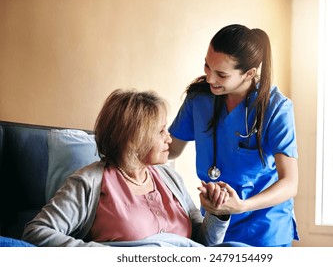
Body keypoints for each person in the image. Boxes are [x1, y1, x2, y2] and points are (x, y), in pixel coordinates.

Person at [22, 89, 236, 247]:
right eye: (161, 131)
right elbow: (36, 232)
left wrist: (217, 214)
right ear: (134, 137)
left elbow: (204, 244)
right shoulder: (89, 182)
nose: (169, 138)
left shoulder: (170, 178)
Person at [169, 24, 299, 247]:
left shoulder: (277, 109)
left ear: (249, 73)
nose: (209, 79)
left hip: (263, 229)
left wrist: (241, 206)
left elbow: (289, 183)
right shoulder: (198, 99)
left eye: (221, 74)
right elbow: (169, 150)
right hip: (215, 225)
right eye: (207, 66)